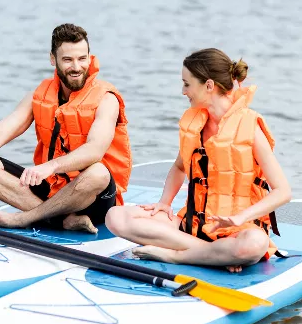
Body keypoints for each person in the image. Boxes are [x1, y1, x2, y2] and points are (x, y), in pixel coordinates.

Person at [105, 48, 291, 272]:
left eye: (187, 84)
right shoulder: (194, 124)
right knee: (116, 217)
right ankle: (212, 254)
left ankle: (175, 256)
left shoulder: (250, 127)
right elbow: (179, 167)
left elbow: (283, 191)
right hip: (193, 225)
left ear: (209, 86)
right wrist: (164, 203)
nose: (183, 91)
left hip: (239, 230)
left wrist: (240, 218)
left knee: (254, 244)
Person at [0, 24, 132, 234]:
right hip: (53, 190)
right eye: (68, 60)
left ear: (90, 57)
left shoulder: (107, 99)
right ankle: (64, 220)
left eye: (82, 58)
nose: (77, 67)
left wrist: (50, 167)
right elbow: (1, 132)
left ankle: (23, 219)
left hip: (94, 196)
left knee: (98, 172)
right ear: (53, 59)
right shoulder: (40, 95)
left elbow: (95, 150)